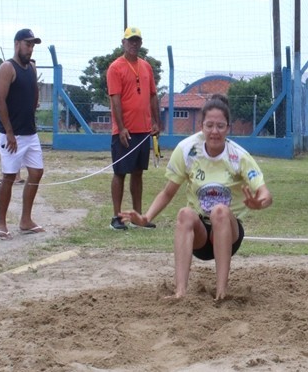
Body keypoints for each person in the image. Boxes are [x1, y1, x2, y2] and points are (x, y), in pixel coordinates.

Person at [122, 95, 273, 300]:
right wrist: (146, 218)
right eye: (209, 125)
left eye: (220, 126)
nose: (214, 131)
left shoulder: (238, 156)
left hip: (228, 232)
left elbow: (265, 194)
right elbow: (167, 192)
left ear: (228, 128)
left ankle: (221, 292)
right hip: (200, 236)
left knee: (220, 211)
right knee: (184, 213)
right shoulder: (187, 150)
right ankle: (180, 292)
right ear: (201, 126)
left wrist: (259, 203)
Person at [107, 27, 160, 230]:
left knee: (138, 173)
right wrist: (121, 128)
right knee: (120, 172)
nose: (134, 44)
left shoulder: (146, 66)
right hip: (125, 131)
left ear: (141, 43)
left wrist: (156, 122)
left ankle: (138, 217)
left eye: (137, 40)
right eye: (130, 40)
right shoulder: (115, 68)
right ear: (123, 42)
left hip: (144, 130)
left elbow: (153, 95)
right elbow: (115, 99)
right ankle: (116, 217)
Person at [0, 28, 44, 239]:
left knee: (37, 172)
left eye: (32, 45)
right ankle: (1, 222)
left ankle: (26, 219)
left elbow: (34, 93)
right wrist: (9, 132)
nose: (30, 49)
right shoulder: (7, 67)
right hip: (12, 134)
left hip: (30, 132)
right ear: (17, 44)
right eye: (27, 44)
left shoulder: (31, 67)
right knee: (9, 177)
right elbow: (0, 99)